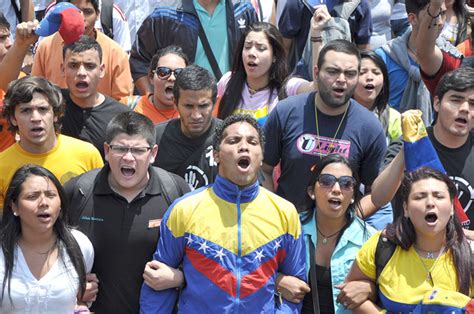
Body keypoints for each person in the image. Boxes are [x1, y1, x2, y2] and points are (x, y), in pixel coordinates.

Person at [140, 114, 306, 313]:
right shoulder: (185, 209)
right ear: (216, 155)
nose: (244, 147)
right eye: (234, 141)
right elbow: (157, 281)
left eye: (252, 142)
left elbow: (296, 288)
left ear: (261, 156)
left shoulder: (285, 213)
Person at [64, 111, 190, 313]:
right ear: (106, 150)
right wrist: (71, 286)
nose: (128, 157)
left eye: (138, 150)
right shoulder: (79, 190)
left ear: (153, 154)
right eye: (120, 148)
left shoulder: (175, 191)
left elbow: (202, 256)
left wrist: (179, 277)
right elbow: (47, 249)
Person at [262, 39, 386, 215]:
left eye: (350, 74)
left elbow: (374, 192)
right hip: (287, 227)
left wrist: (349, 222)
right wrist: (276, 215)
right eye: (333, 72)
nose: (341, 80)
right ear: (316, 73)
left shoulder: (370, 127)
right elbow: (263, 169)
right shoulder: (286, 111)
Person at [347, 167, 473, 312]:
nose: (430, 203)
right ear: (405, 208)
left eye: (438, 196)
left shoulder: (470, 254)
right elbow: (352, 294)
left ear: (451, 207)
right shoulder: (382, 246)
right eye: (420, 197)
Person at [371, 67, 474, 228]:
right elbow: (378, 198)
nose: (465, 109)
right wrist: (411, 147)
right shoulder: (408, 142)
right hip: (410, 247)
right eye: (456, 100)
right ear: (437, 103)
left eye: (472, 104)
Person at [277, 154, 375, 313]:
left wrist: (370, 288)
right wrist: (278, 281)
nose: (336, 189)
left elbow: (391, 291)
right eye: (327, 181)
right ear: (311, 191)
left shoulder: (371, 239)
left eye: (346, 183)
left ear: (352, 196)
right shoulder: (290, 229)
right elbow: (255, 270)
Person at [0, 165, 94, 312]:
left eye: (50, 195)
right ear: (14, 206)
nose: (44, 203)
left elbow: (82, 295)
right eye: (32, 196)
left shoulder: (80, 245)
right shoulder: (2, 248)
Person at [0, 76, 103, 209]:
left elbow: (100, 209)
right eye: (26, 110)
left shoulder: (87, 154)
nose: (35, 118)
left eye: (43, 109)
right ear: (13, 118)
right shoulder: (2, 165)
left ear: (55, 114)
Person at [129, 0, 258, 95]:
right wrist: (152, 98)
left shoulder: (242, 10)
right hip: (180, 111)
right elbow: (139, 61)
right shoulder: (166, 13)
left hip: (228, 106)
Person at [375, 0, 461, 125]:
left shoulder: (452, 58)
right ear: (412, 18)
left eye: (442, 14)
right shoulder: (384, 56)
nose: (441, 22)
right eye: (433, 15)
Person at [32, 0, 133, 101]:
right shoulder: (45, 47)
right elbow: (36, 91)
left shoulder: (116, 53)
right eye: (74, 13)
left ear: (97, 14)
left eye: (88, 12)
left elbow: (122, 102)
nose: (81, 18)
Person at [217, 22, 312, 125]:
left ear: (275, 56)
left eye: (261, 48)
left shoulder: (287, 88)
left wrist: (316, 37)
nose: (251, 53)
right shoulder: (227, 81)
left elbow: (316, 90)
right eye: (247, 47)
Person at [60, 35, 130, 159]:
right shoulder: (49, 103)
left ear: (101, 70)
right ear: (63, 69)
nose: (81, 73)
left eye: (89, 66)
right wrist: (22, 45)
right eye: (73, 65)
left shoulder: (121, 116)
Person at [153, 65, 221, 190]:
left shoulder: (230, 138)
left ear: (215, 103)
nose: (196, 115)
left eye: (203, 106)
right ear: (175, 103)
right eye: (188, 106)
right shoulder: (155, 138)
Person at [278, 0, 372, 70]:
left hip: (342, 77)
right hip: (303, 79)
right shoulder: (298, 3)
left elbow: (363, 52)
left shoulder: (360, 5)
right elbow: (284, 48)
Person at [0, 17, 39, 152]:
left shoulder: (21, 82)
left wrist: (22, 44)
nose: (9, 43)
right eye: (1, 38)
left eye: (8, 36)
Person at [416, 0, 466, 95]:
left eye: (443, 13)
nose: (465, 108)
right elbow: (425, 54)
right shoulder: (457, 65)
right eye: (456, 100)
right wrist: (434, 8)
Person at [131, 46, 189, 124]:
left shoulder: (195, 112)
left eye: (179, 73)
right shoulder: (129, 106)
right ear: (151, 77)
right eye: (163, 72)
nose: (172, 78)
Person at [354, 50, 402, 143]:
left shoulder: (394, 118)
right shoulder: (339, 113)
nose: (369, 77)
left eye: (376, 73)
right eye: (362, 72)